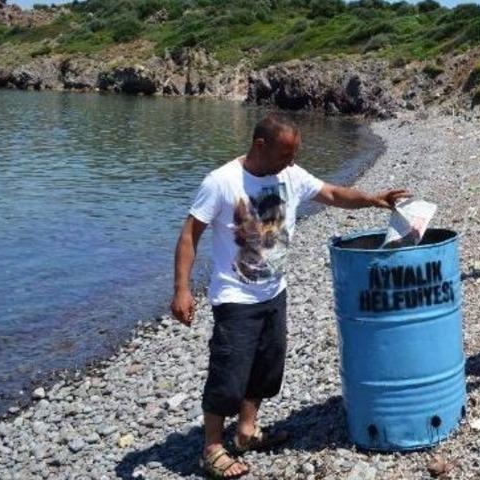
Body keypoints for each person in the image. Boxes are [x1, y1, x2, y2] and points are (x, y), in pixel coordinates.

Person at [170, 113, 409, 478]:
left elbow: (331, 193)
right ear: (260, 145)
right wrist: (182, 290)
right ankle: (212, 448)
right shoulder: (221, 181)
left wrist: (373, 199)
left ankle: (247, 431)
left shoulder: (290, 175)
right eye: (286, 153)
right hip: (235, 297)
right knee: (228, 374)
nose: (292, 161)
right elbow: (190, 234)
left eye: (295, 153)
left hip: (274, 291)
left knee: (267, 367)